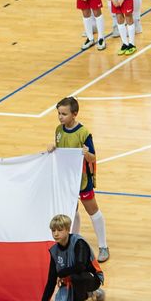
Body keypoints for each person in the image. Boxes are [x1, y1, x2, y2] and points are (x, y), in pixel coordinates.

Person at [47, 97, 109, 263]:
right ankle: (74, 243)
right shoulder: (59, 130)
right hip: (66, 179)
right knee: (71, 211)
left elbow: (93, 157)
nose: (60, 117)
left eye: (64, 114)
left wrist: (86, 153)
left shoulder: (84, 133)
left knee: (92, 210)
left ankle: (103, 246)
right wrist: (53, 148)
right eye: (59, 113)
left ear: (74, 114)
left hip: (81, 180)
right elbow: (61, 152)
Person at [39, 214, 105, 301]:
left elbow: (80, 267)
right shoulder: (54, 250)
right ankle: (87, 294)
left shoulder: (79, 242)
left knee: (77, 276)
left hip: (91, 278)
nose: (56, 233)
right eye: (53, 230)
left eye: (60, 230)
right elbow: (51, 278)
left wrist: (61, 273)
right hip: (72, 282)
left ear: (68, 229)